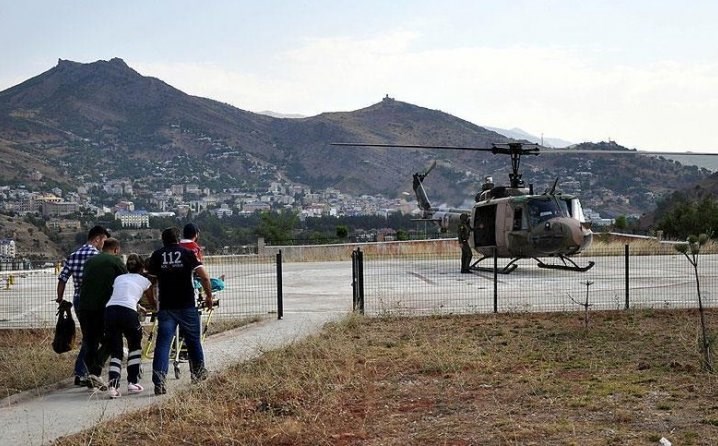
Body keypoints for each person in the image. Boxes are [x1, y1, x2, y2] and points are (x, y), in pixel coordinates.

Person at [148, 227, 213, 395]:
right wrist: (209, 296)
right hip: (187, 305)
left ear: (163, 240)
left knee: (163, 344)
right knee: (193, 340)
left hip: (167, 307)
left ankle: (159, 381)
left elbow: (151, 282)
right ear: (178, 239)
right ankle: (198, 374)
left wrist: (154, 302)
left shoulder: (157, 256)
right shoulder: (187, 254)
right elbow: (204, 276)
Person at [56, 225, 110, 386]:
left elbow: (62, 278)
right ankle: (86, 371)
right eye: (103, 241)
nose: (104, 245)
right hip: (95, 300)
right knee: (95, 337)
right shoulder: (98, 256)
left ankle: (85, 371)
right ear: (97, 239)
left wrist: (60, 299)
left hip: (78, 299)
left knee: (89, 335)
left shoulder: (73, 256)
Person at [77, 237, 127, 390]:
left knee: (90, 340)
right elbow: (127, 281)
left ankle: (90, 375)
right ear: (116, 249)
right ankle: (95, 370)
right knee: (112, 339)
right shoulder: (116, 261)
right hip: (103, 307)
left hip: (84, 306)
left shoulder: (90, 261)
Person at [104, 253, 154, 398]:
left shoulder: (119, 278)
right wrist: (153, 308)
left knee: (116, 351)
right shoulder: (145, 281)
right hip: (128, 313)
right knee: (134, 346)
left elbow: (123, 294)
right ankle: (132, 382)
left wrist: (137, 305)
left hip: (110, 311)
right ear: (142, 267)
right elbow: (151, 301)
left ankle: (113, 387)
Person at [179, 223, 225, 291]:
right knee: (219, 284)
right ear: (196, 234)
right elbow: (199, 270)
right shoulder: (195, 247)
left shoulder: (177, 245)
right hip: (191, 280)